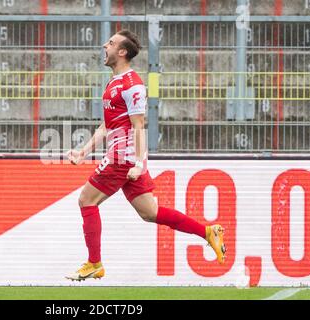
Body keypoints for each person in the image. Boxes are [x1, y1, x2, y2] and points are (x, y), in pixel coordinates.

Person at [65, 30, 226, 281]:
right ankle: (207, 232)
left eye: (110, 43)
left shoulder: (133, 85)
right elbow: (107, 125)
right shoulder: (113, 82)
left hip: (123, 157)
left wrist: (138, 164)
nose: (103, 45)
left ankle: (94, 263)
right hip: (125, 158)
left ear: (122, 52)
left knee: (86, 201)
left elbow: (139, 126)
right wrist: (84, 151)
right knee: (150, 212)